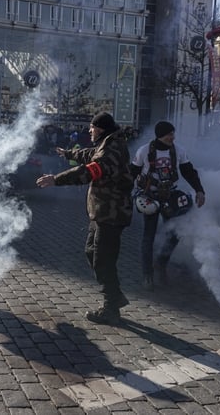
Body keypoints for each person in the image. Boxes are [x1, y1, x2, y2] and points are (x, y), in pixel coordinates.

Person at [36, 112, 134, 325]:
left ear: (100, 129)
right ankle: (115, 296)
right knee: (91, 251)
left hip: (112, 213)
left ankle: (111, 308)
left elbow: (91, 169)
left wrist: (56, 179)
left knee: (103, 259)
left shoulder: (112, 149)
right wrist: (68, 153)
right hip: (101, 212)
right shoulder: (108, 144)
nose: (89, 130)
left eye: (92, 127)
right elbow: (90, 154)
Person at [130, 121, 206, 291]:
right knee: (148, 236)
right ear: (160, 135)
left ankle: (161, 263)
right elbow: (132, 173)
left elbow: (188, 171)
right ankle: (147, 275)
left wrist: (199, 190)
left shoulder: (178, 150)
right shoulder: (144, 151)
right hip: (149, 197)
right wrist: (124, 196)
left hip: (169, 195)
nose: (172, 137)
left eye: (173, 133)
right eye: (169, 134)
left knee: (175, 233)